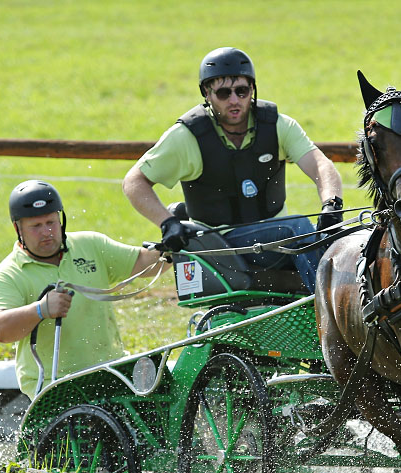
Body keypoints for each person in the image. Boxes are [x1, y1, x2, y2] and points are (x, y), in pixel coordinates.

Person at [122, 46, 343, 292]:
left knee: (333, 233)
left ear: (252, 89)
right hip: (219, 246)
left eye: (241, 90)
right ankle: (330, 309)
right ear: (207, 93)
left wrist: (331, 205)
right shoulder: (187, 137)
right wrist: (167, 223)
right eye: (224, 93)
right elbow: (134, 181)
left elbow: (320, 164)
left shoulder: (278, 125)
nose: (234, 100)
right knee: (298, 228)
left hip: (273, 243)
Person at [0, 180, 167, 397]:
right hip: (52, 385)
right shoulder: (9, 274)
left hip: (109, 371)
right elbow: (0, 330)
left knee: (163, 390)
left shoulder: (90, 245)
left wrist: (174, 243)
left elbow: (141, 262)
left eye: (51, 222)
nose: (46, 232)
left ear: (60, 219)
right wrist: (40, 310)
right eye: (36, 226)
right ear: (18, 228)